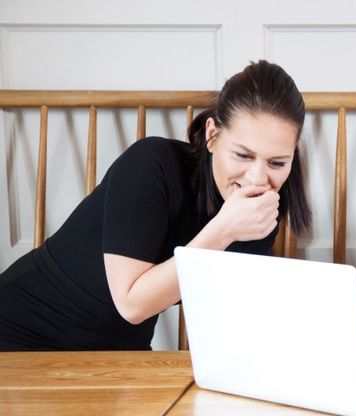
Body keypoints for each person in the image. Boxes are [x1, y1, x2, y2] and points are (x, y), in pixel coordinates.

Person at [0, 60, 311, 351]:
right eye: (243, 155)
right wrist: (222, 231)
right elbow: (132, 304)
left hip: (117, 354)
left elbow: (237, 312)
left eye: (277, 162)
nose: (258, 178)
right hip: (22, 332)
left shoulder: (260, 209)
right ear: (213, 135)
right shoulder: (152, 164)